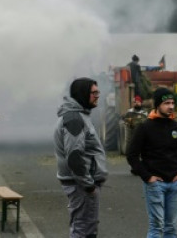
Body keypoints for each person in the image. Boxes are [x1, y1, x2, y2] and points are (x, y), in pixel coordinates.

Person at [126, 87, 177, 238]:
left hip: (174, 184)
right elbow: (131, 154)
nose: (171, 106)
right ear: (157, 105)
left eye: (172, 103)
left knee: (171, 227)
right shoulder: (145, 127)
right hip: (155, 185)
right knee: (156, 226)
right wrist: (147, 177)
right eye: (166, 103)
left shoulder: (176, 127)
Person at [55, 77, 108, 238]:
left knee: (86, 228)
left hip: (82, 184)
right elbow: (74, 156)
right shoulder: (75, 119)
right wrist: (89, 185)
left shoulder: (79, 116)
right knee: (83, 230)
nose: (97, 96)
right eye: (94, 93)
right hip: (81, 186)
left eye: (98, 92)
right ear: (82, 94)